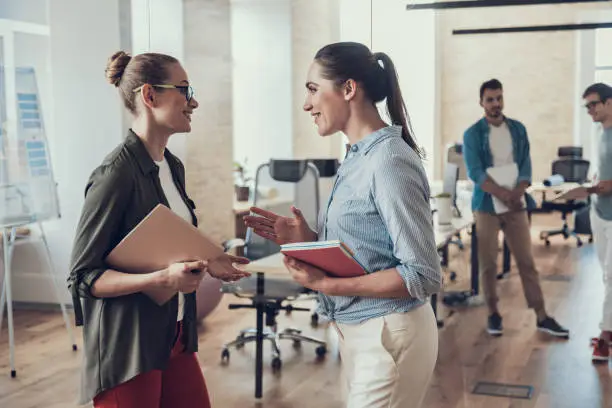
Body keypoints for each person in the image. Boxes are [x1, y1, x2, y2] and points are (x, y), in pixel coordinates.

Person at [244, 42, 441, 408]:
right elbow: (368, 250)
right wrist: (309, 240)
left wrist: (329, 284)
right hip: (358, 333)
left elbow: (422, 274)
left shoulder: (389, 161)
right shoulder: (356, 156)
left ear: (349, 89)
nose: (306, 104)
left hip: (389, 334)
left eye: (313, 89)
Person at [67, 51, 250, 408]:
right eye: (184, 90)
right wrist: (160, 281)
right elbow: (83, 278)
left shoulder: (172, 166)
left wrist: (210, 258)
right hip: (127, 349)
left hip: (175, 332)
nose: (193, 101)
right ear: (149, 96)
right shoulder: (114, 175)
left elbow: (162, 243)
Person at [462, 78, 569, 338]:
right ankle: (493, 313)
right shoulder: (472, 134)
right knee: (488, 263)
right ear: (481, 102)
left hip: (516, 204)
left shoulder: (518, 130)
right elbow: (475, 172)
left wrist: (517, 193)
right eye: (490, 99)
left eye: (499, 98)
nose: (495, 103)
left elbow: (526, 166)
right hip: (487, 205)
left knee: (526, 261)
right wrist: (502, 193)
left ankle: (542, 315)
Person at [575, 83, 612, 362]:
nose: (589, 110)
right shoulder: (599, 132)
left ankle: (605, 338)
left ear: (609, 103)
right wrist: (593, 185)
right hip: (598, 211)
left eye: (593, 104)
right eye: (586, 106)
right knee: (605, 275)